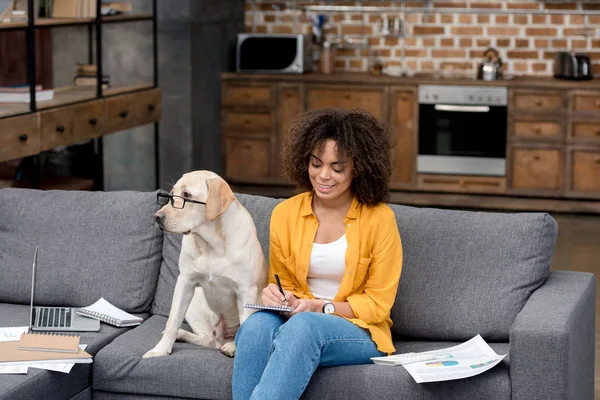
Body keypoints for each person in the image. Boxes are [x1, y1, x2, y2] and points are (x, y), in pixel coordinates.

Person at [232, 108, 403, 400]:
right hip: (298, 320)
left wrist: (321, 307)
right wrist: (278, 296)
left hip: (358, 329)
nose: (323, 176)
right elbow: (285, 284)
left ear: (358, 168)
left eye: (337, 168)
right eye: (316, 163)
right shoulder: (284, 214)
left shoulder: (380, 219)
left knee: (304, 327)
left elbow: (378, 305)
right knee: (256, 326)